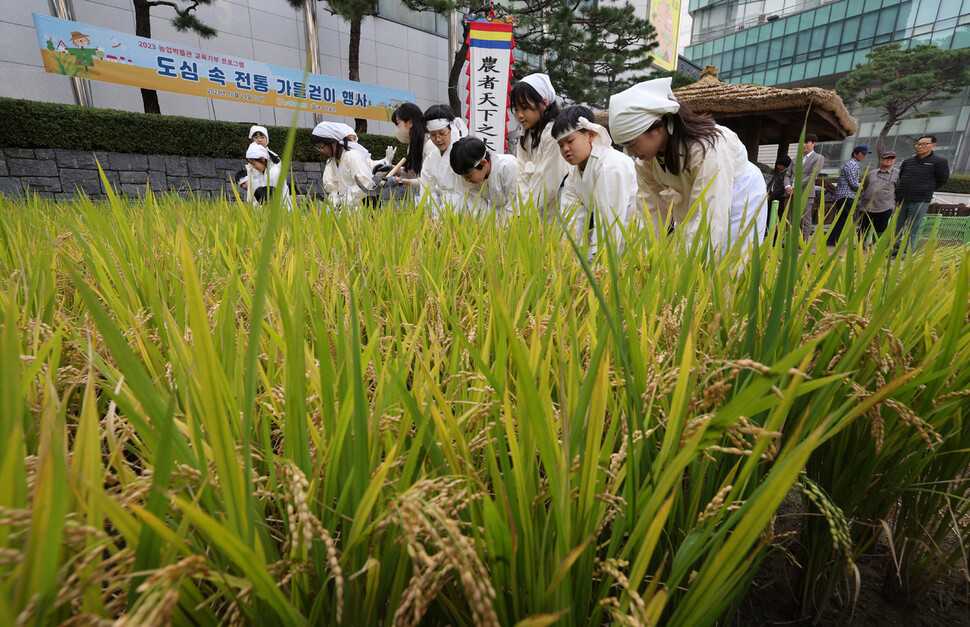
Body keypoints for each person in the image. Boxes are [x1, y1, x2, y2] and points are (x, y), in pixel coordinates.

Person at [609, 77, 768, 259]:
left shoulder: (708, 148)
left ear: (657, 127)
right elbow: (649, 212)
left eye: (632, 144)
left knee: (728, 264)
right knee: (685, 251)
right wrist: (644, 259)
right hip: (696, 197)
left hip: (738, 193)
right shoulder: (645, 163)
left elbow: (710, 216)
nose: (630, 153)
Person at [554, 105, 638, 258]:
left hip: (636, 241)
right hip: (610, 242)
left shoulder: (611, 165)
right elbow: (572, 221)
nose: (565, 149)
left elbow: (610, 221)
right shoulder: (572, 177)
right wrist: (567, 257)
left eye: (570, 141)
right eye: (560, 145)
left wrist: (600, 265)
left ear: (591, 135)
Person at [511, 74, 569, 220]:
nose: (519, 115)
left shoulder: (553, 133)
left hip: (559, 201)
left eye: (524, 108)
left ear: (543, 103)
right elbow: (522, 176)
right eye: (516, 109)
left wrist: (526, 213)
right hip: (536, 205)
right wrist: (521, 211)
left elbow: (547, 178)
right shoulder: (525, 136)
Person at [893, 135, 950, 256]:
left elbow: (943, 179)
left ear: (933, 145)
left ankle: (906, 251)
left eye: (924, 144)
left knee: (913, 227)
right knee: (896, 226)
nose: (919, 147)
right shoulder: (908, 161)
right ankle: (893, 249)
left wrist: (926, 189)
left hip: (920, 200)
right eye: (918, 144)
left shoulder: (939, 161)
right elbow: (901, 176)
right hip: (901, 198)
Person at [450, 136, 519, 220]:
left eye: (468, 176)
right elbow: (478, 211)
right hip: (494, 222)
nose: (466, 180)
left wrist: (503, 229)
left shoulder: (509, 166)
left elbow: (515, 205)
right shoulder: (468, 174)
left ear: (483, 163)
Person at [310, 121, 376, 208]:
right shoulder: (333, 160)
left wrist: (345, 202)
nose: (322, 151)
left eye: (322, 147)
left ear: (334, 143)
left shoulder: (353, 155)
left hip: (360, 209)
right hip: (345, 211)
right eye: (319, 148)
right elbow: (335, 187)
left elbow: (365, 184)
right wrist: (335, 201)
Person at [418, 104, 467, 214]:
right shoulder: (431, 159)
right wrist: (431, 215)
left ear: (452, 129)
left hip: (465, 208)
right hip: (441, 209)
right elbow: (427, 191)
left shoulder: (464, 153)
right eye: (433, 135)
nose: (438, 139)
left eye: (442, 133)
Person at [826, 145, 870, 245]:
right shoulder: (852, 165)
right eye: (862, 153)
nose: (864, 156)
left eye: (865, 154)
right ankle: (833, 240)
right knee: (844, 219)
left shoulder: (854, 164)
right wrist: (865, 186)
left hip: (845, 196)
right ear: (855, 154)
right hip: (846, 196)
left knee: (842, 218)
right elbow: (853, 183)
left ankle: (833, 239)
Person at [388, 103, 435, 195]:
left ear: (409, 123)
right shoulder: (414, 145)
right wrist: (391, 168)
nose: (397, 128)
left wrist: (399, 181)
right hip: (422, 197)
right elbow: (412, 173)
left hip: (436, 199)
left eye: (398, 123)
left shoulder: (430, 146)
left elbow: (429, 181)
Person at [784, 133, 825, 239]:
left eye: (807, 142)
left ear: (813, 144)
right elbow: (787, 175)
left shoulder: (818, 158)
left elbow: (812, 176)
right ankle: (788, 241)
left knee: (805, 220)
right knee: (789, 218)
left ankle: (803, 244)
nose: (804, 145)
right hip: (790, 193)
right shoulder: (795, 159)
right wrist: (788, 186)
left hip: (805, 193)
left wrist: (795, 187)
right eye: (802, 142)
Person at [857, 151, 899, 243]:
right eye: (886, 158)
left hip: (884, 207)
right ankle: (861, 245)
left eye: (891, 158)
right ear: (881, 160)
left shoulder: (897, 174)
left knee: (880, 228)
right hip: (866, 206)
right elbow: (866, 186)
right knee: (863, 227)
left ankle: (876, 246)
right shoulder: (872, 173)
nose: (888, 160)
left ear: (894, 160)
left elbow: (899, 189)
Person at [245, 143, 292, 209]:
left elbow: (281, 197)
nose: (254, 167)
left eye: (254, 164)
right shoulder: (262, 173)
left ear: (262, 159)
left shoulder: (274, 172)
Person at [766, 154, 791, 235]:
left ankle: (775, 234)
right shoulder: (777, 173)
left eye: (779, 164)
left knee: (777, 217)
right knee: (769, 216)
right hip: (770, 197)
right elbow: (770, 183)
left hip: (779, 198)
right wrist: (767, 192)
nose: (777, 166)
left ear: (783, 165)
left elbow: (781, 188)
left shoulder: (787, 174)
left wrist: (772, 196)